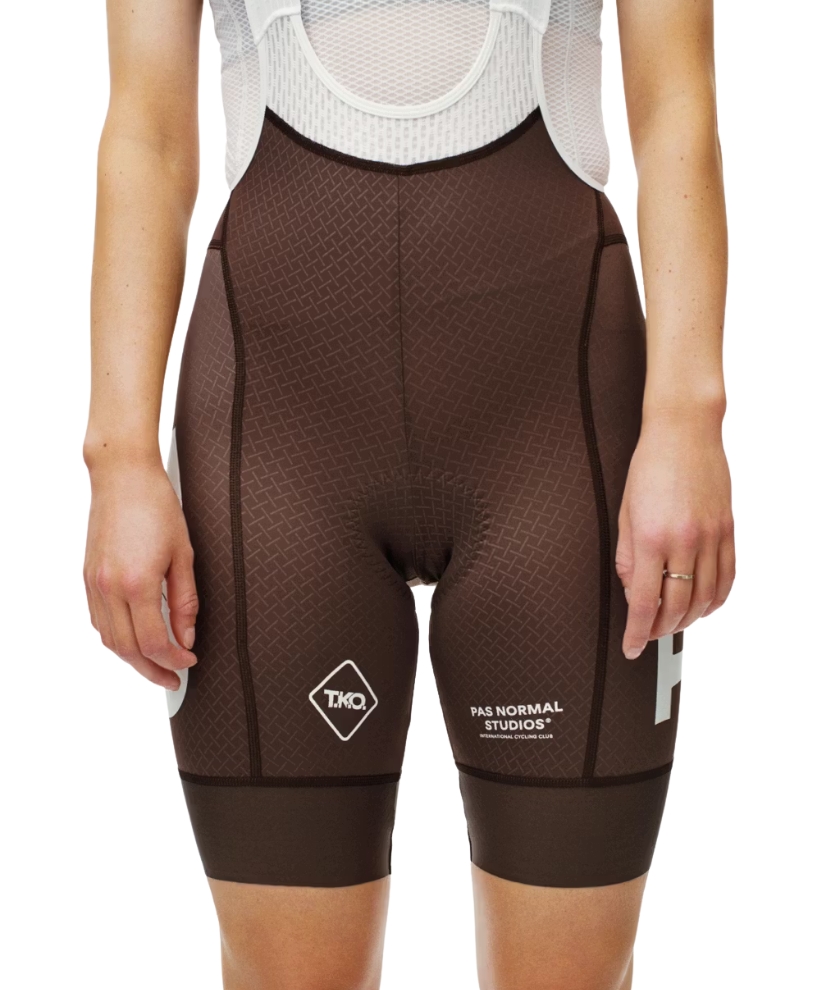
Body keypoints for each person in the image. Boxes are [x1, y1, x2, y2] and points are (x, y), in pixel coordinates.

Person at [83, 0, 734, 986]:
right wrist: (120, 457)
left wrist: (688, 418)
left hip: (553, 429)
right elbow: (147, 132)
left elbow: (677, 97)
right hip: (279, 438)